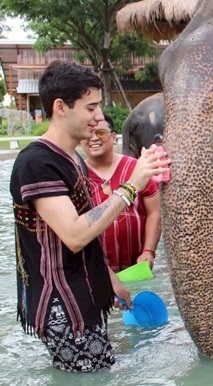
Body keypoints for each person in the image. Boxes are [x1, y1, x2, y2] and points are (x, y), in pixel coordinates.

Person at [10, 60, 169, 372]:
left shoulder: (72, 160)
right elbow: (75, 234)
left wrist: (110, 280)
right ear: (61, 107)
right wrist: (131, 186)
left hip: (87, 296)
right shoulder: (37, 163)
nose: (98, 117)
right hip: (62, 307)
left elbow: (89, 234)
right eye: (91, 107)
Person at [81, 115, 161, 271]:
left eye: (101, 133)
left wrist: (149, 251)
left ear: (113, 138)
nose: (94, 138)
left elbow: (155, 212)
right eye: (88, 134)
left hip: (137, 266)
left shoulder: (137, 168)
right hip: (95, 270)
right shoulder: (76, 175)